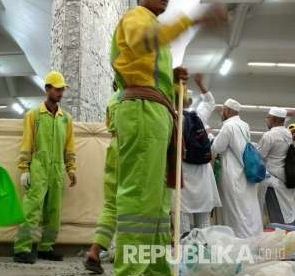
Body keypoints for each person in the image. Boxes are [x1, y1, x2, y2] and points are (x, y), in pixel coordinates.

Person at [110, 0, 226, 274]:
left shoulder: (155, 32)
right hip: (142, 111)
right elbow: (143, 42)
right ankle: (131, 270)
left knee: (159, 204)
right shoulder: (136, 17)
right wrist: (192, 20)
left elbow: (155, 82)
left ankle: (156, 269)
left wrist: (173, 81)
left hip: (157, 115)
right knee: (140, 199)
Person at [13, 71, 77, 264]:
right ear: (47, 89)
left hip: (57, 170)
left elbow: (69, 147)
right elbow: (27, 144)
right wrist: (24, 169)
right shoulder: (34, 116)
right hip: (39, 169)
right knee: (31, 210)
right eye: (57, 89)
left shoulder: (66, 119)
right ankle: (22, 249)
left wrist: (71, 169)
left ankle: (46, 247)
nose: (60, 93)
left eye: (62, 90)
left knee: (53, 211)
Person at [212, 99, 263, 238]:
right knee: (248, 207)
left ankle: (238, 239)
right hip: (246, 173)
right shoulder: (245, 125)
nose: (221, 113)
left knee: (235, 209)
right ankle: (253, 236)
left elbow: (217, 147)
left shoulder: (228, 126)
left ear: (228, 111)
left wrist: (211, 138)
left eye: (223, 110)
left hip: (233, 173)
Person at [84, 82, 120, 274]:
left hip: (113, 148)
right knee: (133, 205)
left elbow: (108, 125)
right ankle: (126, 256)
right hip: (131, 150)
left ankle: (95, 250)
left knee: (110, 205)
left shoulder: (113, 100)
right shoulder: (137, 98)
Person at [180, 78, 221, 236]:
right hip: (202, 171)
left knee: (182, 209)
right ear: (190, 101)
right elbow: (210, 102)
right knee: (203, 210)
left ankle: (184, 243)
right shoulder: (198, 116)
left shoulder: (171, 117)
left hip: (183, 171)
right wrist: (200, 84)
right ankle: (203, 243)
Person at [257, 108, 295, 224]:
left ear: (273, 119)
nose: (266, 120)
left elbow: (260, 155)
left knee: (276, 215)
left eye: (268, 118)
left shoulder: (269, 135)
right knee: (286, 212)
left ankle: (280, 235)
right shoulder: (288, 133)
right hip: (286, 176)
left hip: (273, 181)